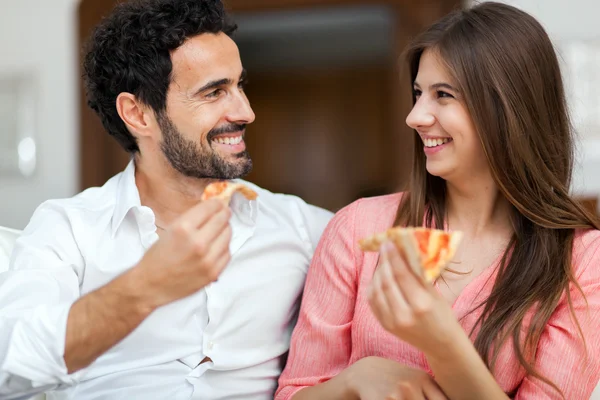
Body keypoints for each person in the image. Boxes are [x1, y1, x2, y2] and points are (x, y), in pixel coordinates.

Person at [0, 0, 332, 399]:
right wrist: (144, 287)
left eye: (239, 85)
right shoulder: (67, 231)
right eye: (214, 92)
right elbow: (9, 373)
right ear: (138, 115)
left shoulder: (303, 227)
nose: (245, 111)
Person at [275, 2, 600, 399]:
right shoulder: (358, 228)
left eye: (443, 95)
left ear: (509, 108)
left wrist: (440, 340)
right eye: (418, 93)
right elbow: (295, 393)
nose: (415, 116)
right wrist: (355, 380)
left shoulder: (583, 261)